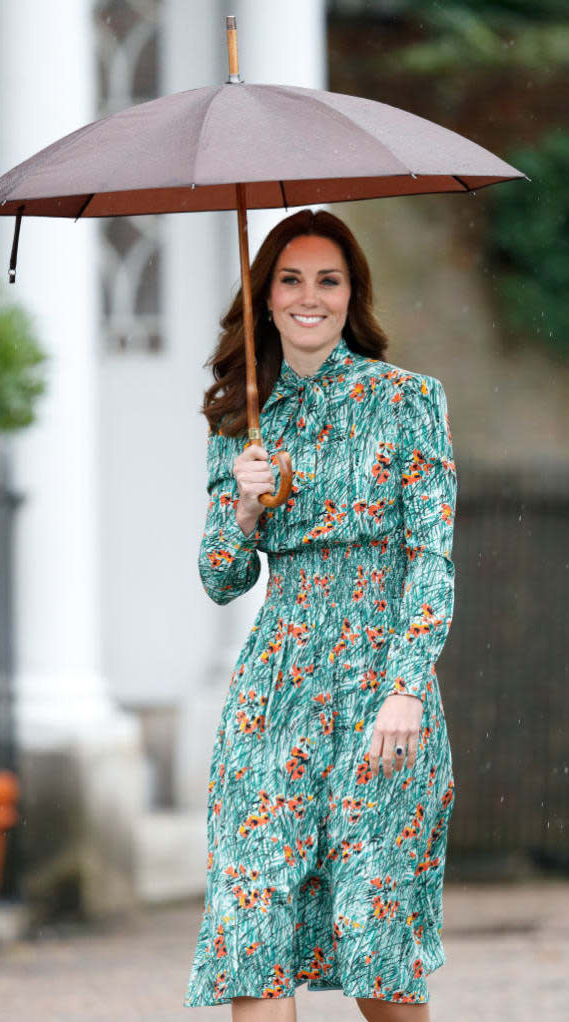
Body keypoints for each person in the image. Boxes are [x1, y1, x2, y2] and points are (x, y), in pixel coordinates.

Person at [183, 209, 457, 1022]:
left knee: (376, 942)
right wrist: (243, 507)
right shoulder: (241, 419)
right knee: (252, 924)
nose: (310, 298)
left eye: (327, 280)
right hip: (275, 696)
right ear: (264, 298)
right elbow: (220, 580)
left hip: (381, 694)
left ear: (351, 296)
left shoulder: (409, 400)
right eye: (291, 280)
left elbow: (432, 556)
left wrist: (407, 687)